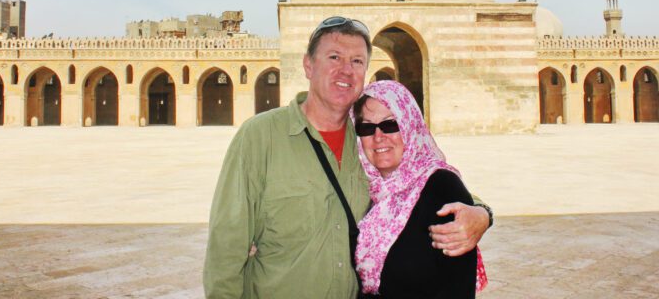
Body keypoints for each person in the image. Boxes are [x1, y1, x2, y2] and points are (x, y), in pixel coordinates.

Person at [204, 16, 491, 299]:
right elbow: (226, 245)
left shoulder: (366, 141)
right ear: (308, 65)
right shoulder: (260, 136)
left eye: (357, 61)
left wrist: (481, 213)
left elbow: (424, 184)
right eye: (334, 57)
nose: (346, 71)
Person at [353, 80, 487, 298]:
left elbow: (458, 287)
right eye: (366, 127)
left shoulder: (442, 187)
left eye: (390, 124)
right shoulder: (359, 186)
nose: (378, 137)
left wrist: (483, 213)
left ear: (410, 124)